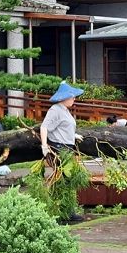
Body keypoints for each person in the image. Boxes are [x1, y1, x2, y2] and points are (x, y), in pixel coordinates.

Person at [40, 81, 85, 221]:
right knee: (64, 179)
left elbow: (64, 127)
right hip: (59, 148)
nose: (74, 99)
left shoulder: (65, 110)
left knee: (68, 179)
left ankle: (66, 211)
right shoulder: (55, 110)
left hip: (67, 147)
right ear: (64, 97)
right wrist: (44, 146)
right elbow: (44, 127)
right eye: (72, 97)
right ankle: (63, 212)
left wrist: (74, 135)